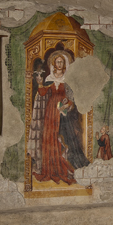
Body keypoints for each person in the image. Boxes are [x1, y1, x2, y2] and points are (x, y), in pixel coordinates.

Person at [30, 51, 87, 185]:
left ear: (65, 64)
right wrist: (40, 83)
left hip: (63, 114)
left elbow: (72, 99)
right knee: (49, 138)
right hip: (50, 112)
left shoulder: (68, 80)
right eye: (57, 62)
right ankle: (50, 168)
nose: (59, 64)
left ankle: (64, 165)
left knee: (64, 137)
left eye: (61, 62)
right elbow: (43, 93)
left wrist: (66, 106)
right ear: (54, 64)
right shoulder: (49, 78)